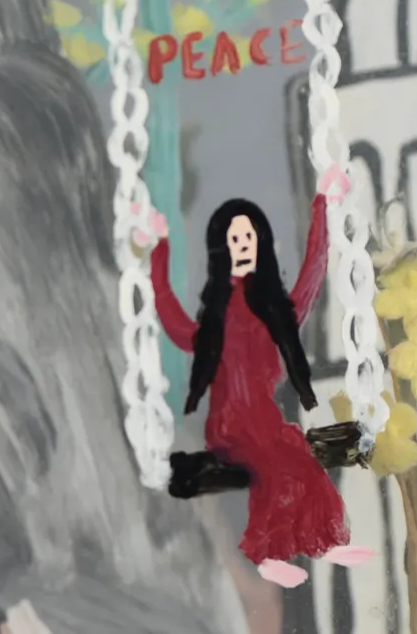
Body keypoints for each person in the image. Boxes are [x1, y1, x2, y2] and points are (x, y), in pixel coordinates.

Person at [141, 169, 374, 588]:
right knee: (274, 466)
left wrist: (322, 204)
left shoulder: (276, 312)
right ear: (222, 249)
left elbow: (313, 272)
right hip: (230, 425)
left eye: (248, 237)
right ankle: (265, 553)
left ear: (260, 243)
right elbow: (172, 318)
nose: (243, 245)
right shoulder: (216, 318)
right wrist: (159, 249)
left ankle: (324, 540)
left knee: (302, 461)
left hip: (266, 420)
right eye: (234, 240)